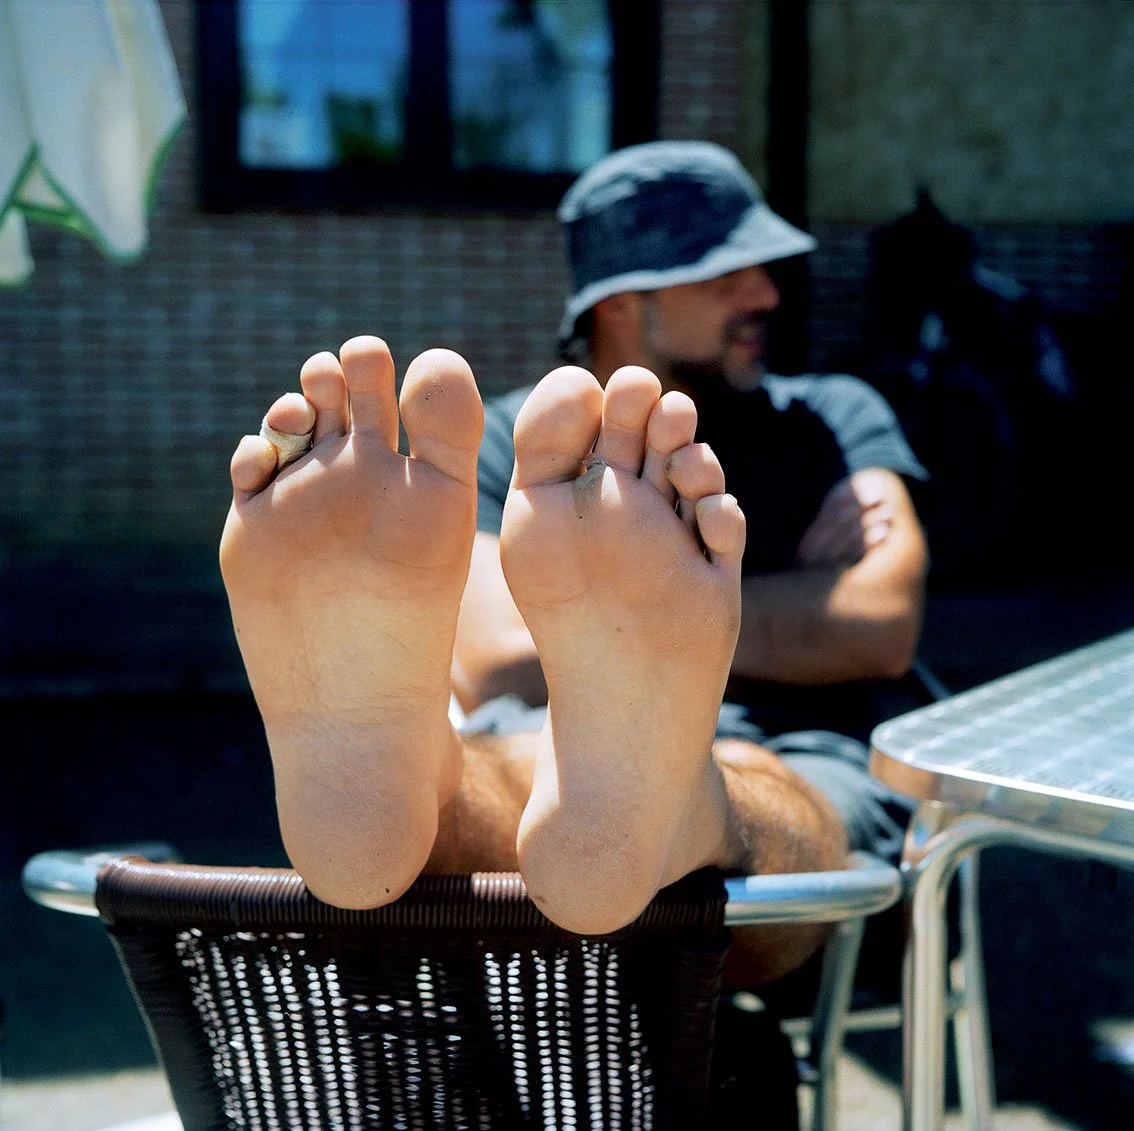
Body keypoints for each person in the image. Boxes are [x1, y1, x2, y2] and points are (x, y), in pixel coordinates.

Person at [218, 141, 927, 996]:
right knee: (526, 769)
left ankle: (651, 799)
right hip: (548, 766)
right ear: (623, 304)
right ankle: (418, 777)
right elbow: (494, 658)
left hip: (788, 751)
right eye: (726, 275)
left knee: (742, 798)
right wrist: (738, 613)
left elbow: (884, 622)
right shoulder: (511, 445)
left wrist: (667, 649)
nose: (768, 294)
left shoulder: (835, 415)